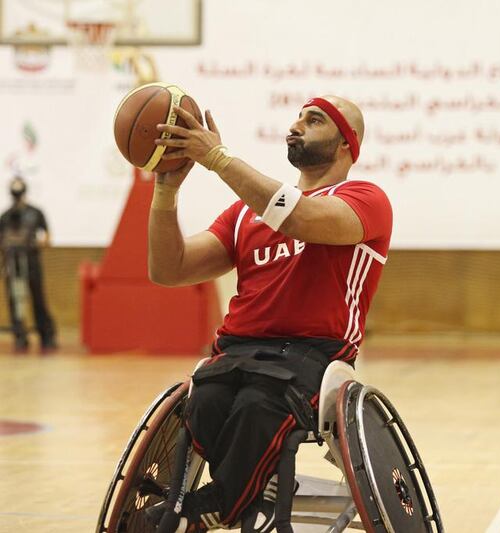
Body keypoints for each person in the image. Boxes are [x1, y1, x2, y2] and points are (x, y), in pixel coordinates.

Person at [146, 95, 392, 532]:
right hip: (238, 351)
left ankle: (216, 505)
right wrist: (166, 190)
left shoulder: (365, 199)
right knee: (207, 398)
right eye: (296, 118)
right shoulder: (245, 214)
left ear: (345, 144)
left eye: (313, 120)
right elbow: (169, 269)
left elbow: (300, 219)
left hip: (311, 356)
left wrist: (218, 158)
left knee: (259, 404)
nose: (297, 126)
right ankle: (242, 493)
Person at [0, 176, 57, 353]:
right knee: (15, 299)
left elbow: (47, 236)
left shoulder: (35, 213)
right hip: (12, 263)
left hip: (31, 261)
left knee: (38, 298)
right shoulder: (6, 216)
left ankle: (46, 335)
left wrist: (36, 244)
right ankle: (20, 335)